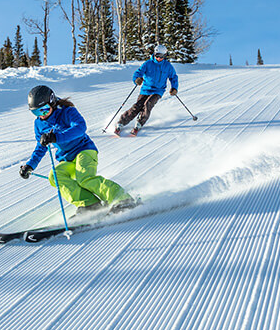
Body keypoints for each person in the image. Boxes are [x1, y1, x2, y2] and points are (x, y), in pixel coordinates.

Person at [19, 85, 134, 213]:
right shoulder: (39, 124)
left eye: (44, 110)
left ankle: (122, 199)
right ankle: (89, 204)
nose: (42, 115)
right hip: (67, 158)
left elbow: (80, 127)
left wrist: (57, 137)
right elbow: (41, 147)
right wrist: (30, 166)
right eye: (36, 112)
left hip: (84, 150)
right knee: (55, 176)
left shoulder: (67, 111)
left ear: (52, 102)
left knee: (84, 177)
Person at [114, 43, 179, 135]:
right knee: (137, 106)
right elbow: (138, 73)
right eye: (157, 55)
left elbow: (173, 77)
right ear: (154, 54)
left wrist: (174, 88)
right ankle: (121, 122)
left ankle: (139, 123)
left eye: (162, 56)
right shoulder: (148, 63)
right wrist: (137, 79)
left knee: (148, 104)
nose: (159, 58)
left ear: (165, 56)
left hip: (158, 90)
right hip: (146, 89)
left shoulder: (167, 66)